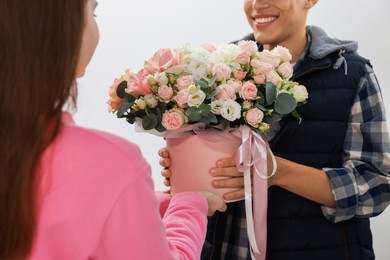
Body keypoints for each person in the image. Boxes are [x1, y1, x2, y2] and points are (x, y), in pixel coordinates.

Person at [159, 0, 390, 259]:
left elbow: (376, 186)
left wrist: (277, 172)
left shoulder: (351, 73)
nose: (258, 4)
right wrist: (186, 167)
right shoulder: (217, 71)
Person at [0, 0, 228, 259]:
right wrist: (190, 206)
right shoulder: (111, 165)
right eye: (92, 11)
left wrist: (155, 201)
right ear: (63, 28)